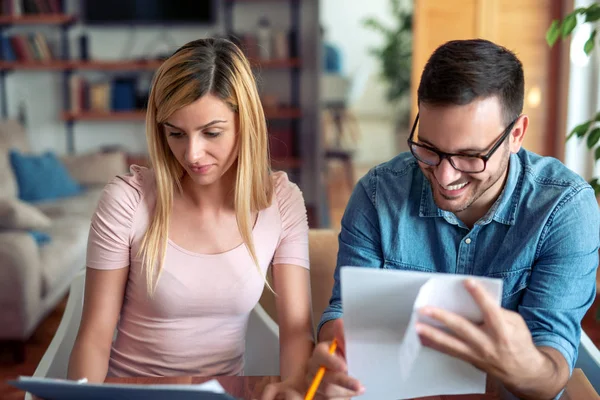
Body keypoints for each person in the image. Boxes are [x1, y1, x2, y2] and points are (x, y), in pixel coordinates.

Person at [307, 38, 600, 399]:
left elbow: (551, 372)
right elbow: (342, 311)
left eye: (470, 156)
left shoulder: (564, 209)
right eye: (429, 149)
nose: (445, 178)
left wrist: (521, 362)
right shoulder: (377, 193)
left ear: (516, 135)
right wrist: (338, 353)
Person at [67, 38, 314, 398]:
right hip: (132, 393)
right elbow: (94, 335)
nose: (192, 153)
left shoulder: (282, 202)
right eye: (176, 134)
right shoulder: (127, 200)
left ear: (244, 123)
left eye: (211, 133)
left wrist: (294, 392)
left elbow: (296, 331)